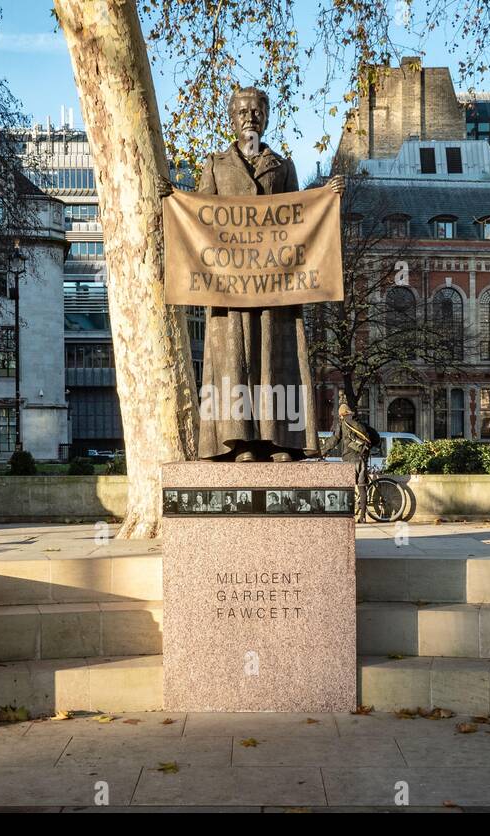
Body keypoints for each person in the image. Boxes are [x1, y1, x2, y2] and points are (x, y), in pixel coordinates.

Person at [159, 86, 343, 462]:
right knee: (234, 363)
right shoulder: (214, 166)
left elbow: (300, 218)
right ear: (232, 117)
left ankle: (279, 441)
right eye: (242, 111)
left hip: (275, 288)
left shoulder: (284, 166)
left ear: (267, 116)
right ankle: (237, 442)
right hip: (229, 289)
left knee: (275, 361)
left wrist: (325, 194)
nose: (250, 118)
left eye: (256, 111)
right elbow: (200, 216)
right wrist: (174, 198)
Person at [324, 397, 381, 519]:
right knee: (362, 487)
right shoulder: (359, 423)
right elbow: (375, 436)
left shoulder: (342, 424)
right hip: (362, 457)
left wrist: (323, 451)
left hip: (349, 459)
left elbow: (334, 440)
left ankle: (348, 516)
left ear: (341, 415)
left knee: (348, 487)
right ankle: (362, 517)